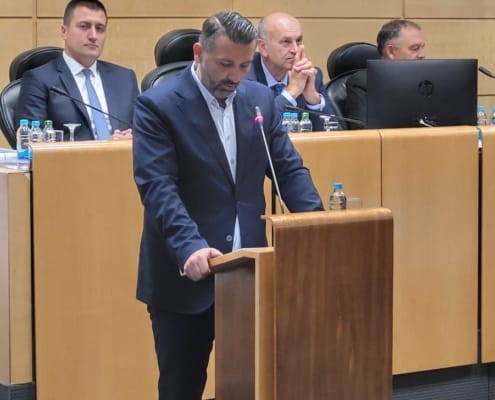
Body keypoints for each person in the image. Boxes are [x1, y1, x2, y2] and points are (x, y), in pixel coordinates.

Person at [132, 10, 323, 400]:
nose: (234, 76)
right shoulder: (158, 105)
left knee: (252, 385)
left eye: (244, 65)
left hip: (250, 273)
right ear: (198, 53)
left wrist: (318, 225)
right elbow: (158, 187)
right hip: (188, 275)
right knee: (182, 388)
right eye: (224, 64)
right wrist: (189, 246)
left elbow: (287, 169)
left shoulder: (259, 100)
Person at [15, 0, 139, 140]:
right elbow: (32, 142)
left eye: (99, 28)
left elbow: (145, 132)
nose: (93, 36)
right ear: (64, 31)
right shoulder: (39, 79)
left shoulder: (125, 78)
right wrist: (104, 148)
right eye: (84, 26)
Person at [246, 12, 336, 131]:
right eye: (286, 42)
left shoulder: (309, 76)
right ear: (263, 47)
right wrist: (290, 93)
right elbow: (255, 130)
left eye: (298, 41)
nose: (295, 49)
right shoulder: (245, 78)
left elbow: (336, 135)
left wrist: (313, 101)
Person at [345, 19, 426, 129]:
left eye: (422, 48)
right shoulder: (363, 83)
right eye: (415, 49)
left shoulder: (426, 82)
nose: (422, 55)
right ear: (391, 51)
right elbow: (363, 131)